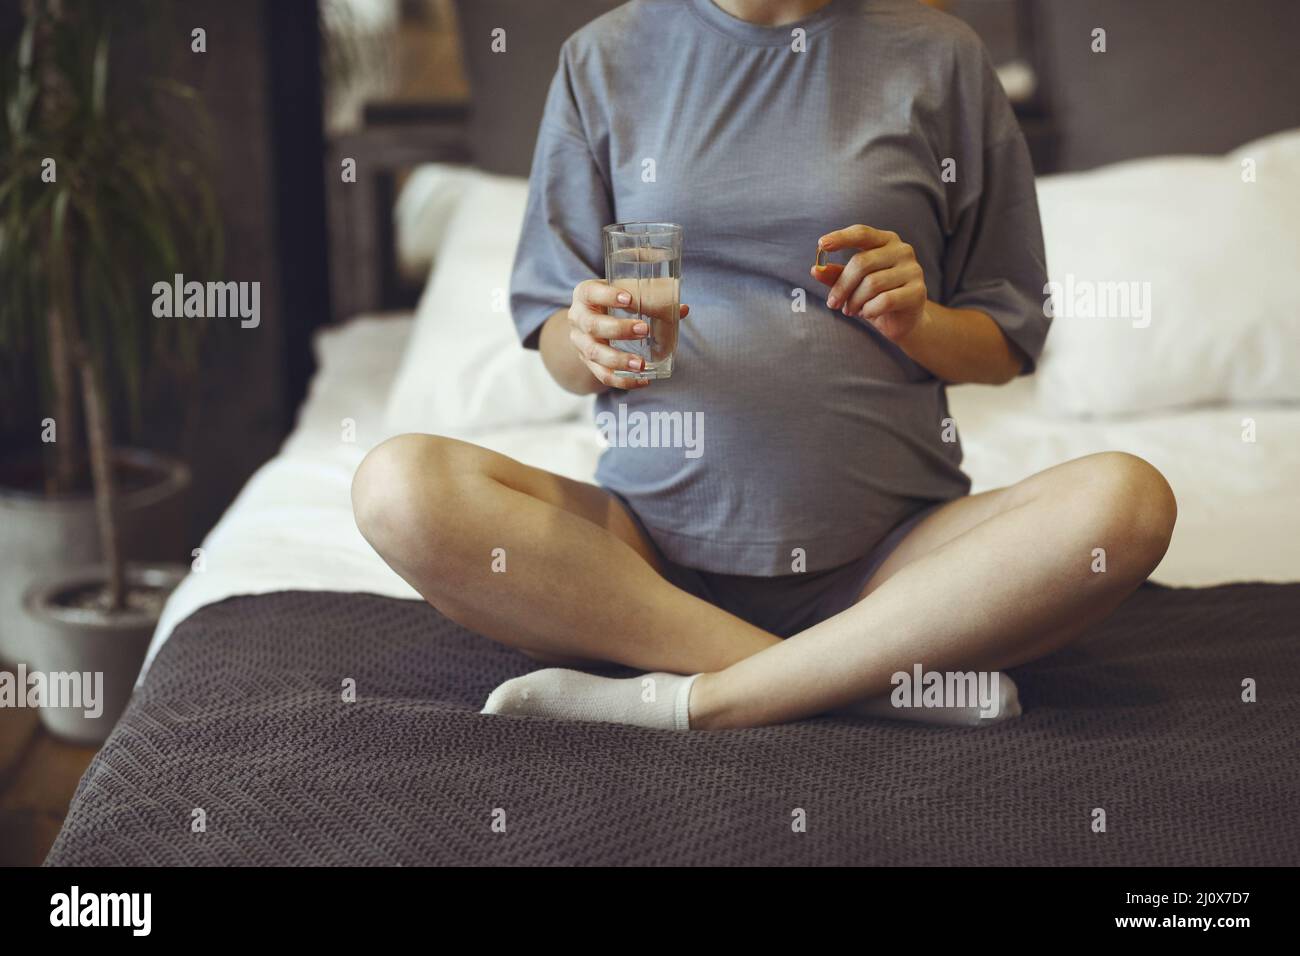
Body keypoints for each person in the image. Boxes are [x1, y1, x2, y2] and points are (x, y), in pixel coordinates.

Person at [351, 0, 1177, 730]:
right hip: (644, 562)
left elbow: (1007, 342)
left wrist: (918, 319)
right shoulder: (603, 57)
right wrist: (588, 339)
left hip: (897, 563)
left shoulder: (940, 55)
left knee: (1129, 501)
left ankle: (710, 699)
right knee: (398, 486)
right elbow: (559, 350)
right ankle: (858, 683)